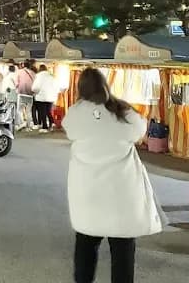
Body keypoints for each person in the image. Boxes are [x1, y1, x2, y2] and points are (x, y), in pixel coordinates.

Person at [64, 67, 162, 283]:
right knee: (123, 249)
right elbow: (140, 130)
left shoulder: (75, 114)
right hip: (121, 194)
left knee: (85, 246)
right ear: (105, 85)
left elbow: (68, 129)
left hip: (88, 194)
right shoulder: (123, 112)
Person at [31, 63, 60, 132]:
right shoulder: (52, 76)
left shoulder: (38, 77)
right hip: (51, 97)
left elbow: (35, 88)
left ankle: (45, 127)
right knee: (48, 111)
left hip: (41, 97)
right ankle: (51, 123)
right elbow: (57, 87)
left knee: (42, 112)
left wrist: (35, 92)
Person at [14, 61, 36, 130]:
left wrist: (16, 88)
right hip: (30, 95)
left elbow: (16, 83)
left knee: (19, 110)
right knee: (28, 111)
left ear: (23, 65)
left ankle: (21, 123)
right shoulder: (33, 73)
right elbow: (35, 84)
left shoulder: (19, 72)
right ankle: (28, 126)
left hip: (21, 94)